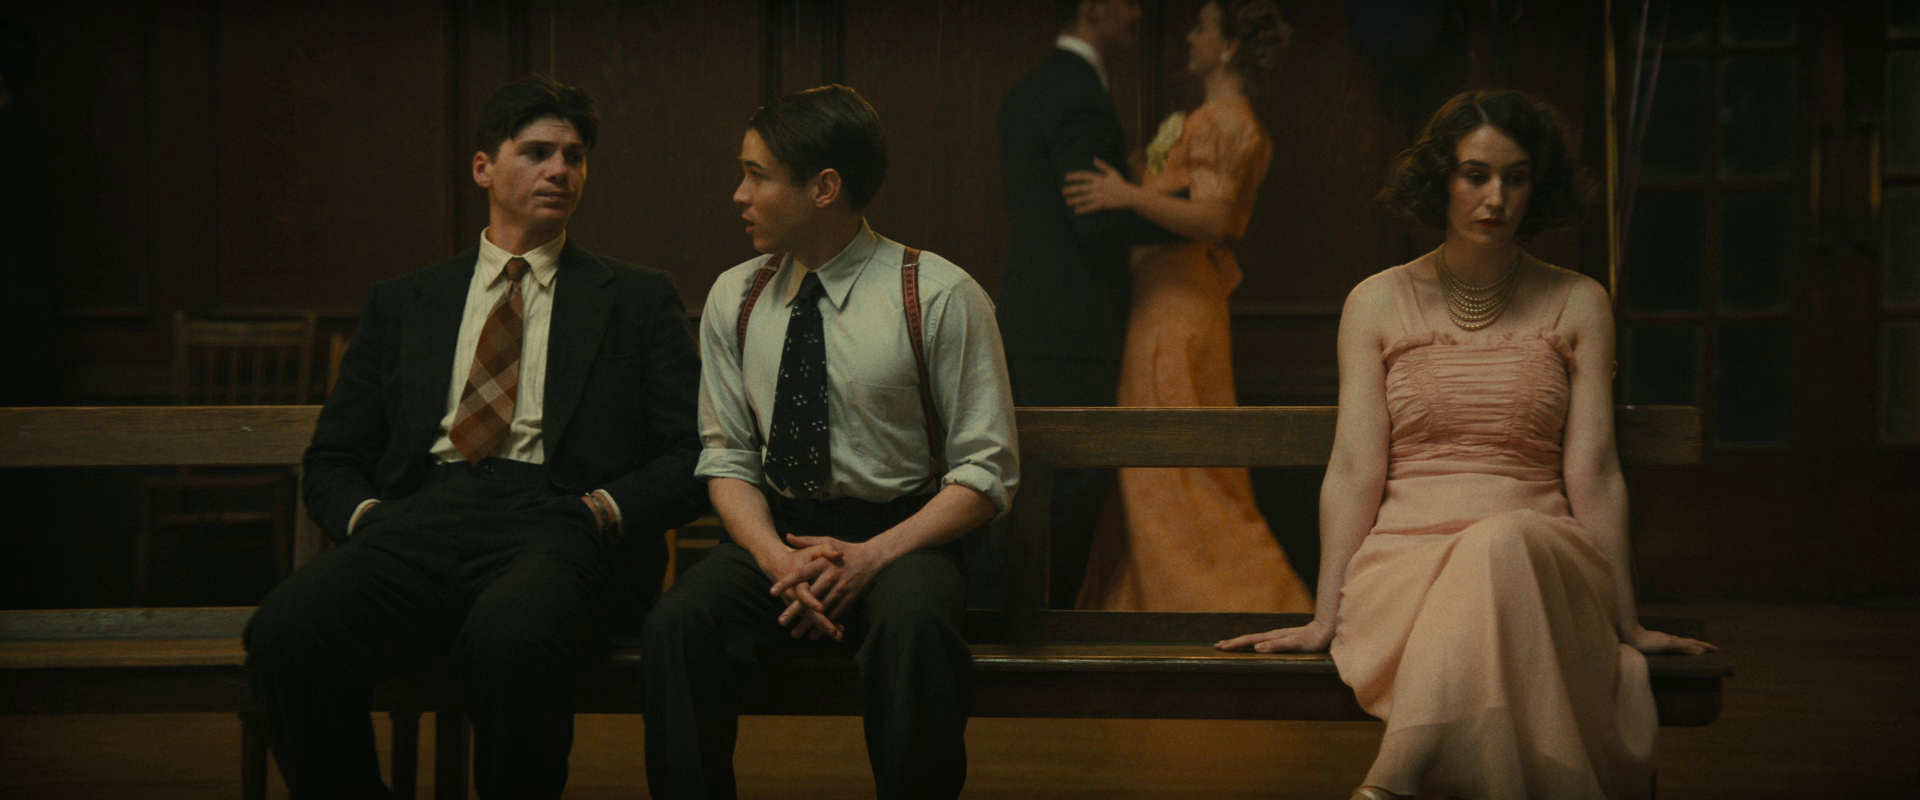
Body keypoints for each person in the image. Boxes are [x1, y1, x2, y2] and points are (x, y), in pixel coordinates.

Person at [1217, 90, 1718, 800]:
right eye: (1475, 176)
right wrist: (1325, 615)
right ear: (1440, 179)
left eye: (1517, 178)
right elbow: (1355, 468)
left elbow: (1596, 473)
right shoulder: (1376, 301)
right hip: (1406, 566)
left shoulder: (1579, 301)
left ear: (1537, 186)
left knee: (1501, 541)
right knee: (1486, 562)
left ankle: (1392, 781)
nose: (1496, 198)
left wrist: (1626, 621)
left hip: (1541, 555)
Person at [244, 74, 707, 799]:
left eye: (574, 156)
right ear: (483, 168)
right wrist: (369, 519)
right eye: (537, 152)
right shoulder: (406, 301)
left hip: (558, 524)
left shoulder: (636, 298)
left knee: (513, 636)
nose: (560, 170)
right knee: (287, 629)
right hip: (419, 517)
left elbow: (693, 453)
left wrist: (599, 512)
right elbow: (333, 457)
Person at [641, 84, 1018, 800]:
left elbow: (986, 472)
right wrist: (776, 558)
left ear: (824, 188)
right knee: (679, 626)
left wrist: (872, 555)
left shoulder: (937, 294)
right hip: (777, 534)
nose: (739, 195)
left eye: (757, 175)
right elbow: (726, 457)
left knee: (916, 631)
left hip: (902, 535)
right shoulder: (735, 296)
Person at [1060, 0, 1310, 612]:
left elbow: (1212, 218)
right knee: (1163, 464)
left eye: (1203, 27)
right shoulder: (1212, 118)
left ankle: (1230, 599)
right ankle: (1152, 601)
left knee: (1177, 463)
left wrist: (1124, 195)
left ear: (1229, 46)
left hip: (1176, 307)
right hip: (1171, 299)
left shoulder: (1224, 119)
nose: (1190, 37)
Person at [998, 0, 1184, 608]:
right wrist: (1191, 222)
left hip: (1034, 323)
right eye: (1127, 1)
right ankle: (1038, 634)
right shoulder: (1079, 97)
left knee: (1038, 489)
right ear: (1093, 6)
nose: (1138, 12)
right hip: (1072, 334)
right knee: (1067, 494)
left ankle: (1019, 628)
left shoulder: (1033, 90)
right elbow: (1095, 221)